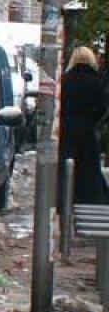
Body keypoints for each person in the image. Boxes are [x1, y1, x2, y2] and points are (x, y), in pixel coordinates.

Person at [60, 46, 109, 205]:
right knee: (87, 175)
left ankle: (66, 202)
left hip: (66, 133)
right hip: (87, 134)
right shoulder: (96, 81)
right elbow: (102, 108)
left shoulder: (64, 80)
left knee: (67, 172)